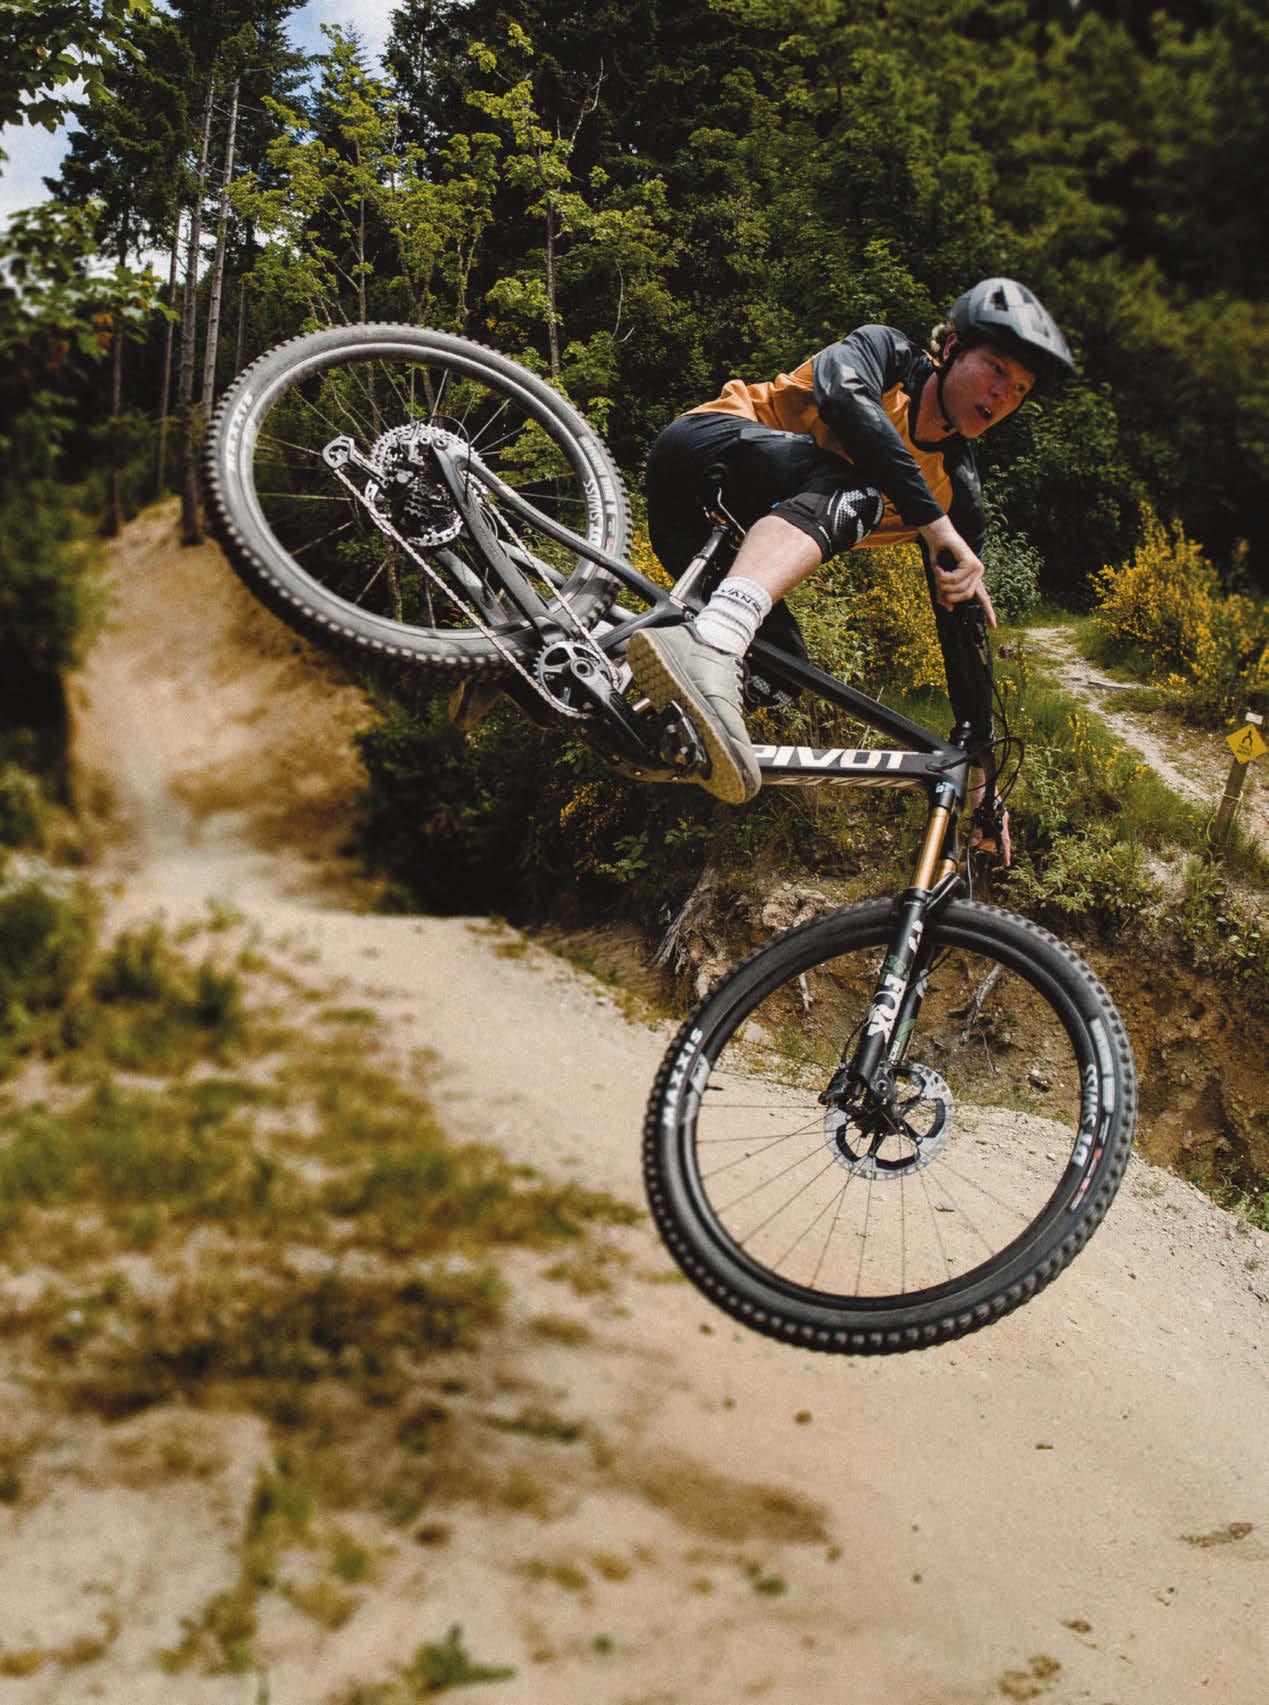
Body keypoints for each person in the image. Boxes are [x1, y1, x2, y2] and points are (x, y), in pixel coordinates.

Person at [627, 277, 1076, 858]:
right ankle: (714, 640)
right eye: (995, 369)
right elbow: (845, 399)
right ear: (950, 348)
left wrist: (984, 780)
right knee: (861, 490)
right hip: (702, 455)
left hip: (725, 547)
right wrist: (933, 524)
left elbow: (963, 634)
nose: (1002, 395)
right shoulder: (887, 354)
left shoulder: (958, 492)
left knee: (781, 675)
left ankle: (606, 684)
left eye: (1019, 389)